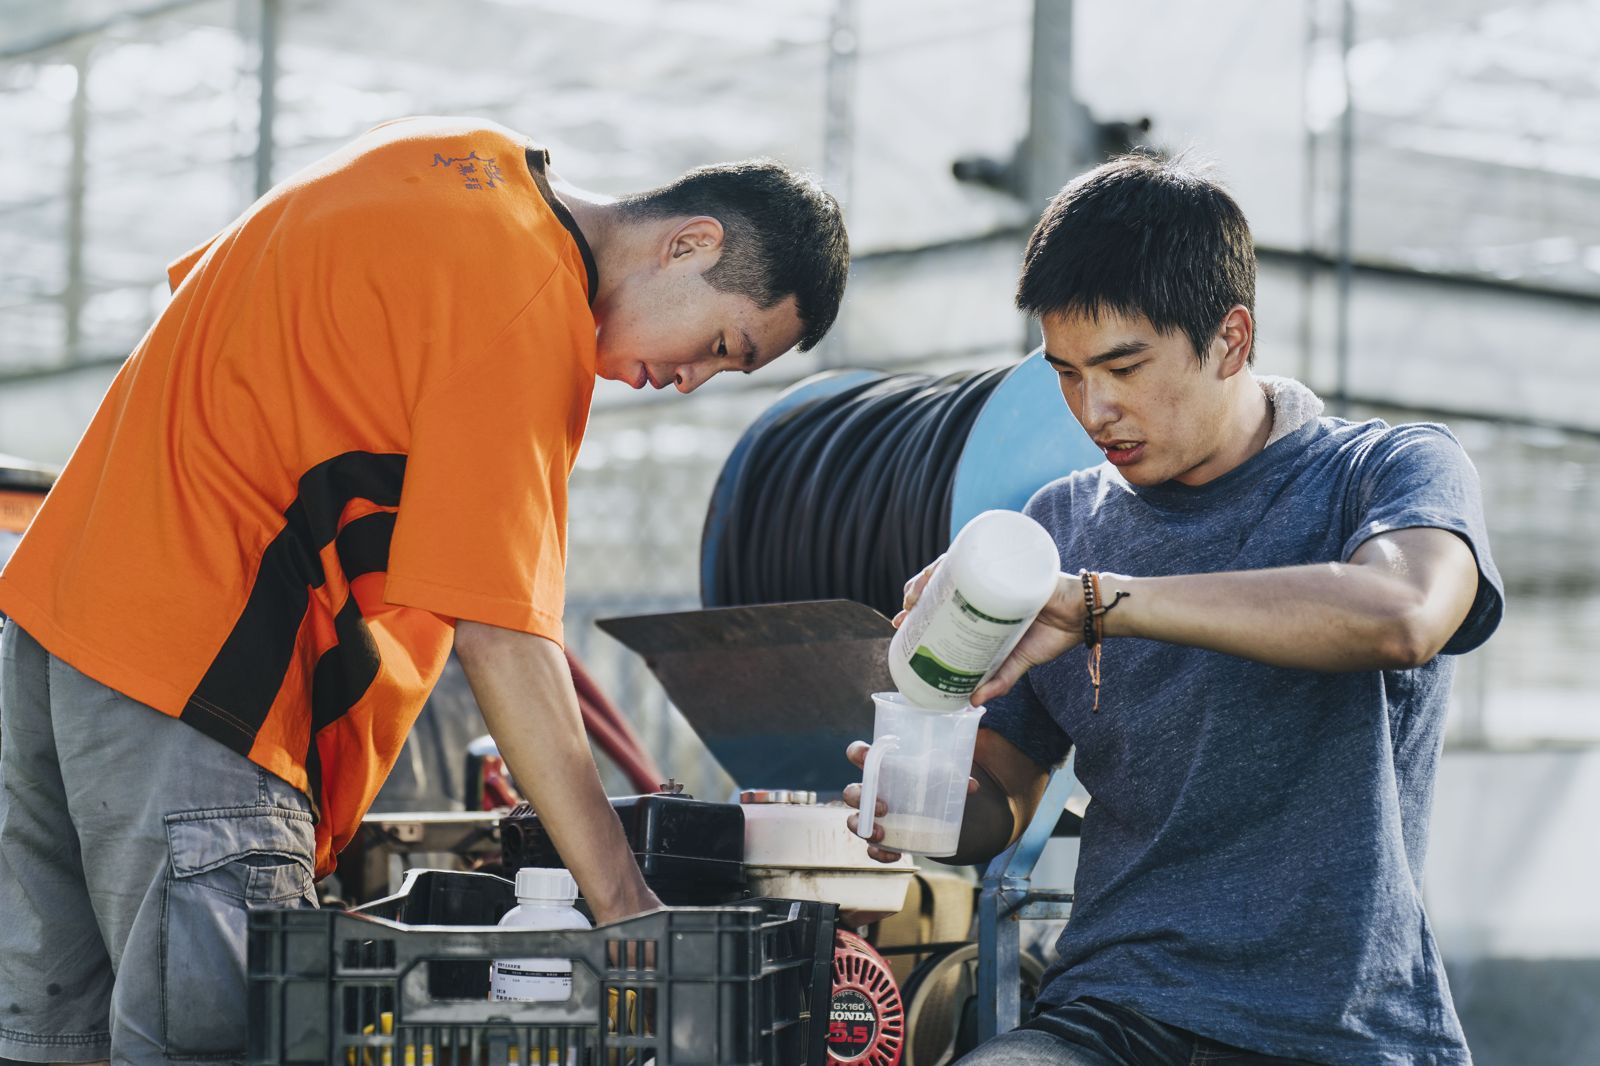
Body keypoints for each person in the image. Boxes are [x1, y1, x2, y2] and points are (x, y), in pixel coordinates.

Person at [0, 115, 848, 1064]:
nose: (694, 381)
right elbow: (506, 637)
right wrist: (626, 908)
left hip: (58, 629)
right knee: (221, 1042)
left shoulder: (449, 158)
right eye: (725, 345)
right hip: (192, 666)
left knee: (50, 1035)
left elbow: (225, 303)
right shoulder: (530, 301)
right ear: (691, 242)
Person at [846, 153, 1502, 1065]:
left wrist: (1102, 604)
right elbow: (1005, 789)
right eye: (1068, 373)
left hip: (1338, 1028)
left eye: (1124, 365)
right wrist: (918, 806)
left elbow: (1403, 615)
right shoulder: (1059, 524)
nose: (1095, 408)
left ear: (1230, 340)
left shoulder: (1386, 473)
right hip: (1115, 1015)